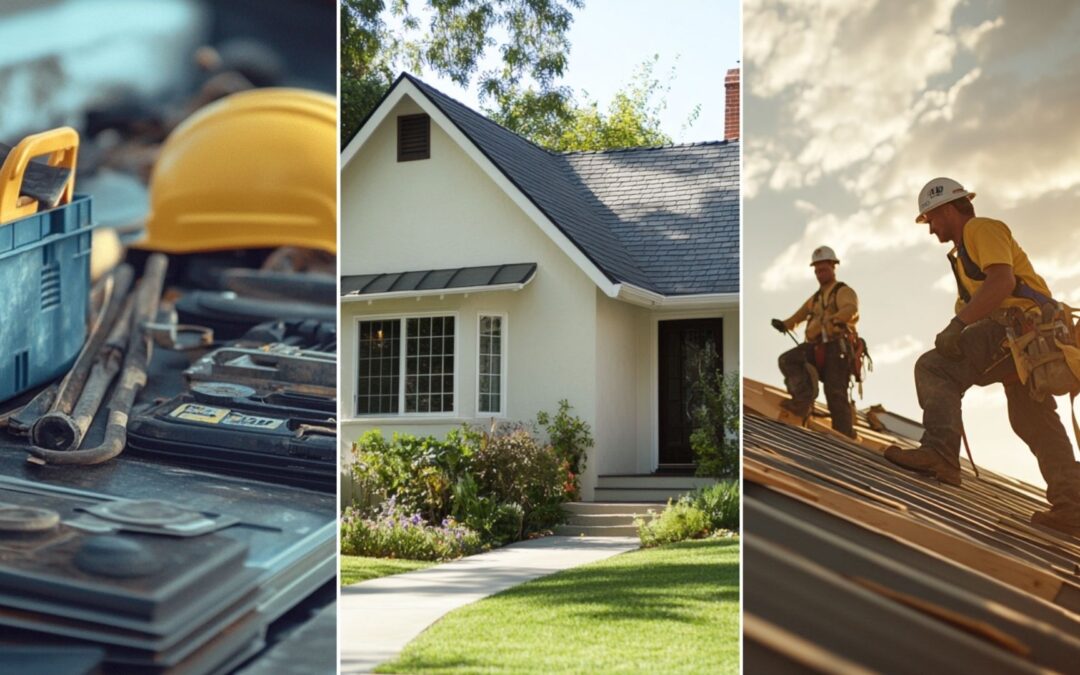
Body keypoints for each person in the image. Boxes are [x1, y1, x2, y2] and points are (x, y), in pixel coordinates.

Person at [884, 177, 1080, 536]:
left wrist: (958, 325)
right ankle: (1074, 507)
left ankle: (941, 453)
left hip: (1017, 330)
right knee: (1032, 419)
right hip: (1022, 339)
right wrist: (963, 327)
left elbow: (1002, 283)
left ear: (946, 209)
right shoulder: (963, 255)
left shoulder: (981, 229)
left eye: (931, 220)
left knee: (934, 367)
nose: (930, 230)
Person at [771, 246, 859, 437]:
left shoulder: (843, 291)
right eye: (817, 271)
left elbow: (851, 308)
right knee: (788, 360)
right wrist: (785, 324)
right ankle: (802, 401)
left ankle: (844, 437)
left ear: (833, 267)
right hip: (817, 346)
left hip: (837, 348)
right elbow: (800, 315)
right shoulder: (817, 297)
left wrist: (836, 319)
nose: (820, 274)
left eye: (824, 269)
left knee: (835, 393)